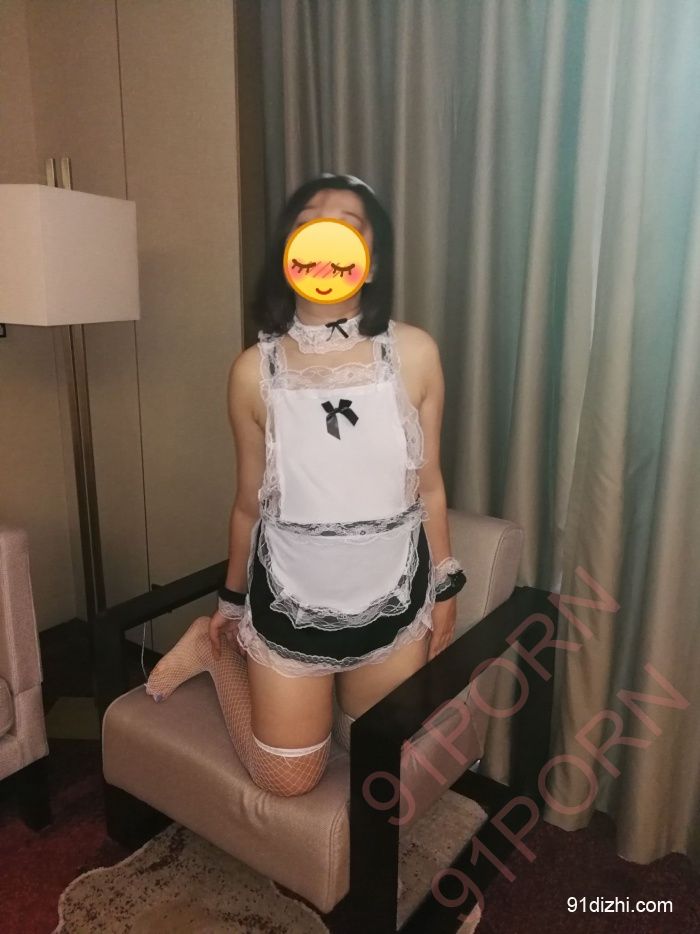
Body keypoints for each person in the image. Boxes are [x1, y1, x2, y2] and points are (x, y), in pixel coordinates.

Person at [144, 173, 466, 797]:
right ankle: (215, 655)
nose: (326, 235)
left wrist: (445, 584)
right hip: (292, 596)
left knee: (381, 756)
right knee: (288, 778)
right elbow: (249, 504)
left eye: (348, 224)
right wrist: (229, 604)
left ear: (372, 260)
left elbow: (428, 486)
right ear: (288, 251)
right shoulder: (252, 371)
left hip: (391, 594)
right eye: (309, 221)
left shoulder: (416, 353)